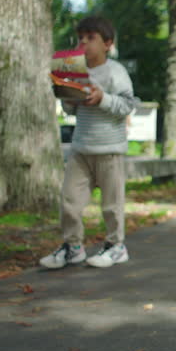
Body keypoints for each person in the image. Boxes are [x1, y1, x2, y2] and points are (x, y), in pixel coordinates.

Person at [40, 16, 138, 269]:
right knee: (69, 201)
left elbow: (127, 105)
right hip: (81, 148)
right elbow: (72, 111)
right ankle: (73, 247)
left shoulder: (115, 72)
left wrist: (103, 98)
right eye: (80, 37)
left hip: (109, 151)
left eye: (90, 38)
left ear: (107, 43)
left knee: (111, 205)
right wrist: (69, 101)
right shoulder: (75, 70)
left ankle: (116, 246)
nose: (83, 42)